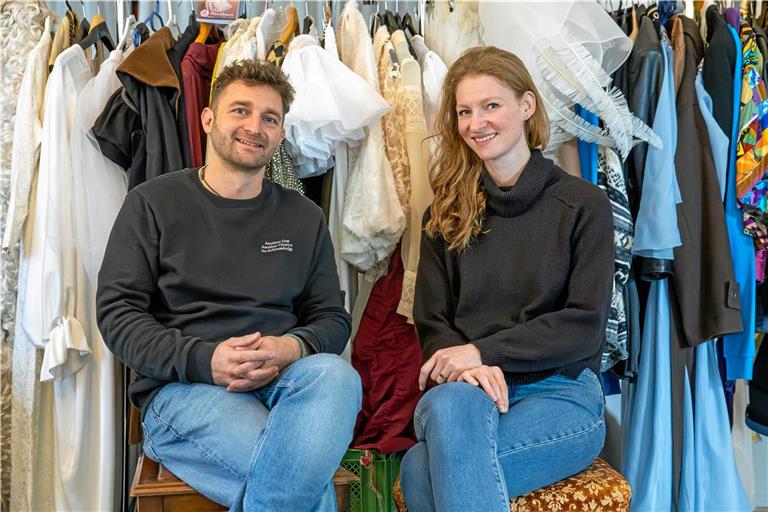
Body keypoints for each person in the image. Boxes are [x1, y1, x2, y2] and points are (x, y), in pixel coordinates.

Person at [96, 60, 361, 512]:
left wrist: (291, 348)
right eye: (241, 110)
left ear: (280, 135)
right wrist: (206, 360)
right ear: (209, 119)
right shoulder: (152, 203)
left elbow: (332, 319)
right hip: (183, 390)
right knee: (305, 481)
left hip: (285, 381)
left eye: (270, 118)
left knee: (338, 376)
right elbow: (117, 315)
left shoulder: (303, 216)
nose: (254, 127)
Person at [399, 46, 614, 511]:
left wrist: (483, 350)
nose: (477, 123)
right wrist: (471, 366)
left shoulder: (583, 205)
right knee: (450, 407)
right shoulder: (446, 215)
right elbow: (432, 321)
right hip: (468, 395)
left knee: (420, 470)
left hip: (561, 394)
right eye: (464, 111)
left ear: (527, 106)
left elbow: (584, 323)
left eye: (491, 105)